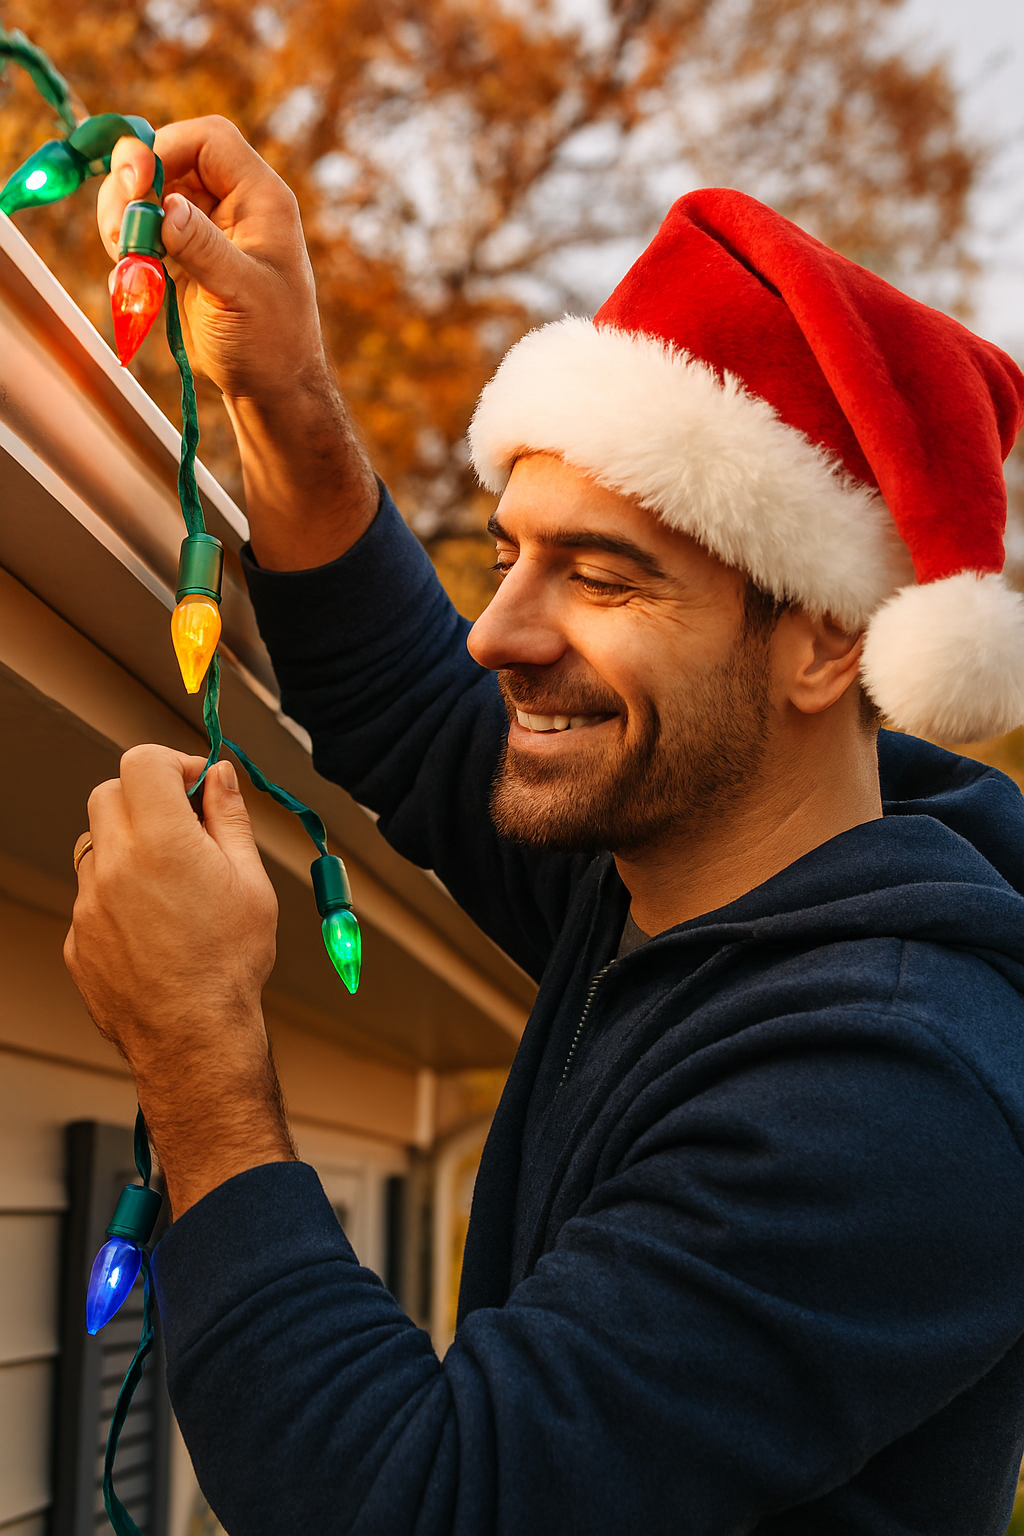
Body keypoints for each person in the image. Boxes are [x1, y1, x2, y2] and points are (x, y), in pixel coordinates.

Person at [64, 118, 1024, 1536]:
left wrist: (199, 1053)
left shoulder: (890, 1090)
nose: (500, 634)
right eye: (510, 554)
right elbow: (419, 716)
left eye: (602, 578)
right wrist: (285, 395)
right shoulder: (687, 863)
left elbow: (421, 1503)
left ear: (829, 645)